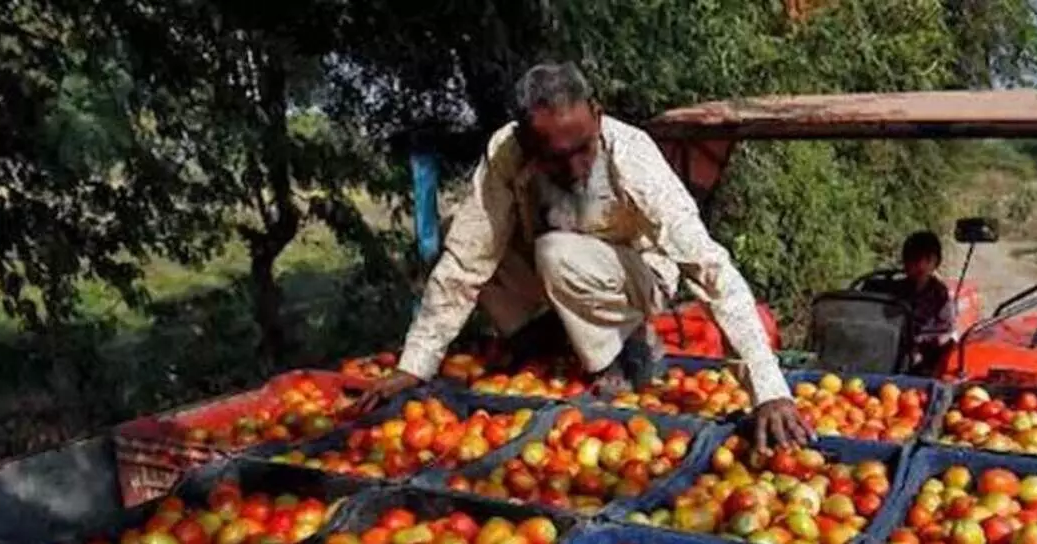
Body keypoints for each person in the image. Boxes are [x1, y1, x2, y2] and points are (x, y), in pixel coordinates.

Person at [353, 62, 807, 450]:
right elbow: (464, 263)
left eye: (582, 148)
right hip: (561, 277)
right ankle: (551, 345)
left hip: (635, 280)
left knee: (556, 252)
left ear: (597, 115)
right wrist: (415, 365)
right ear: (527, 144)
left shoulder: (631, 156)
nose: (575, 168)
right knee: (471, 242)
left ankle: (624, 357)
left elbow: (708, 267)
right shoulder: (507, 154)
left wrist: (768, 389)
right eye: (555, 157)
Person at [898, 231, 956, 375]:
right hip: (892, 351)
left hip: (924, 360)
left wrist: (922, 344)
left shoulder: (940, 295)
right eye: (915, 260)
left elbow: (946, 332)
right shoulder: (894, 290)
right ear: (905, 263)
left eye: (927, 260)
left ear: (936, 262)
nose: (921, 265)